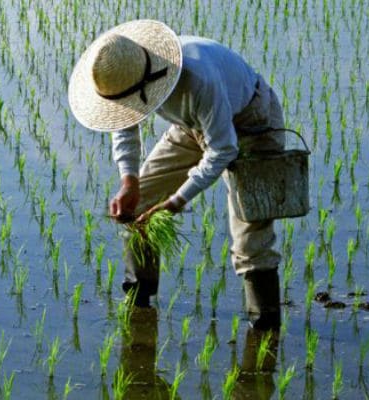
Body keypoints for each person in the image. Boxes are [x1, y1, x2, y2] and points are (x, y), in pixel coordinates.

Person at [68, 20, 284, 330]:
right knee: (139, 206)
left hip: (253, 122)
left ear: (147, 83)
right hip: (192, 126)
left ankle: (264, 328)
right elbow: (124, 125)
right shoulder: (124, 77)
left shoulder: (197, 78)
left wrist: (176, 202)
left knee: (250, 234)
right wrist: (129, 180)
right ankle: (138, 298)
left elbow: (223, 149)